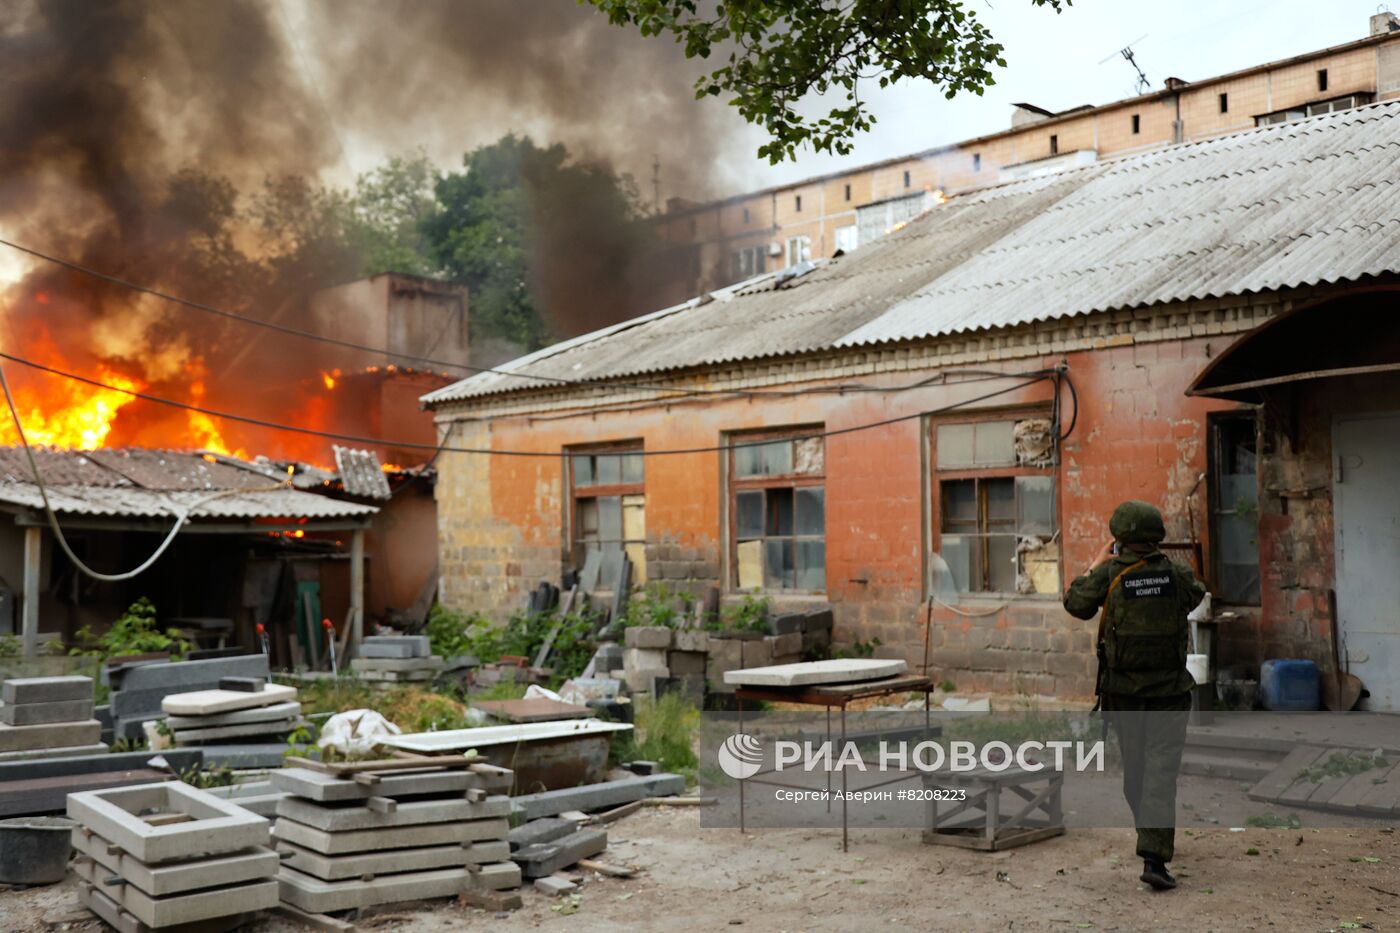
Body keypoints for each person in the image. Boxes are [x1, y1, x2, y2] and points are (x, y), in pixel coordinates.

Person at [1063, 500, 1206, 891]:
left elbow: (1075, 604)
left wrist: (1095, 562)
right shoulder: (1176, 575)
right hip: (1168, 694)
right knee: (1158, 773)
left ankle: (1153, 851)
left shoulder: (1109, 573)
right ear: (1156, 534)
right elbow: (1197, 595)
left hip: (1123, 695)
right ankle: (1154, 848)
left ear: (1118, 537)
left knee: (1138, 773)